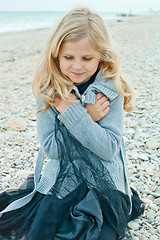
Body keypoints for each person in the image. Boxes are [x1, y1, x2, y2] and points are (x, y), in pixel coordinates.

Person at [0, 7, 144, 240]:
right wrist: (84, 116)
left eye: (87, 58)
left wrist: (73, 113)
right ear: (56, 55)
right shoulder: (49, 90)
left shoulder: (111, 88)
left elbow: (108, 149)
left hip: (104, 183)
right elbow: (52, 149)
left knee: (100, 234)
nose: (77, 67)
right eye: (69, 57)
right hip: (62, 182)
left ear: (101, 56)